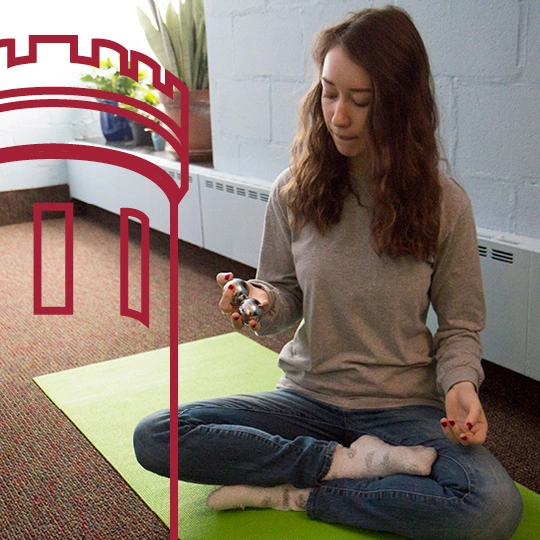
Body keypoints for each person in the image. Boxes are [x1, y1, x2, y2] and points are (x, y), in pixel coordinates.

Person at [134, 6, 523, 539]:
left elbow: (459, 326)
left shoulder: (444, 204)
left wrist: (460, 384)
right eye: (329, 92)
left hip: (402, 407)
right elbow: (284, 294)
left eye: (361, 101)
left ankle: (298, 492)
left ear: (400, 107)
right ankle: (343, 467)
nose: (339, 114)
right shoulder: (293, 190)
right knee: (157, 436)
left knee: (492, 508)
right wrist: (261, 302)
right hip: (305, 399)